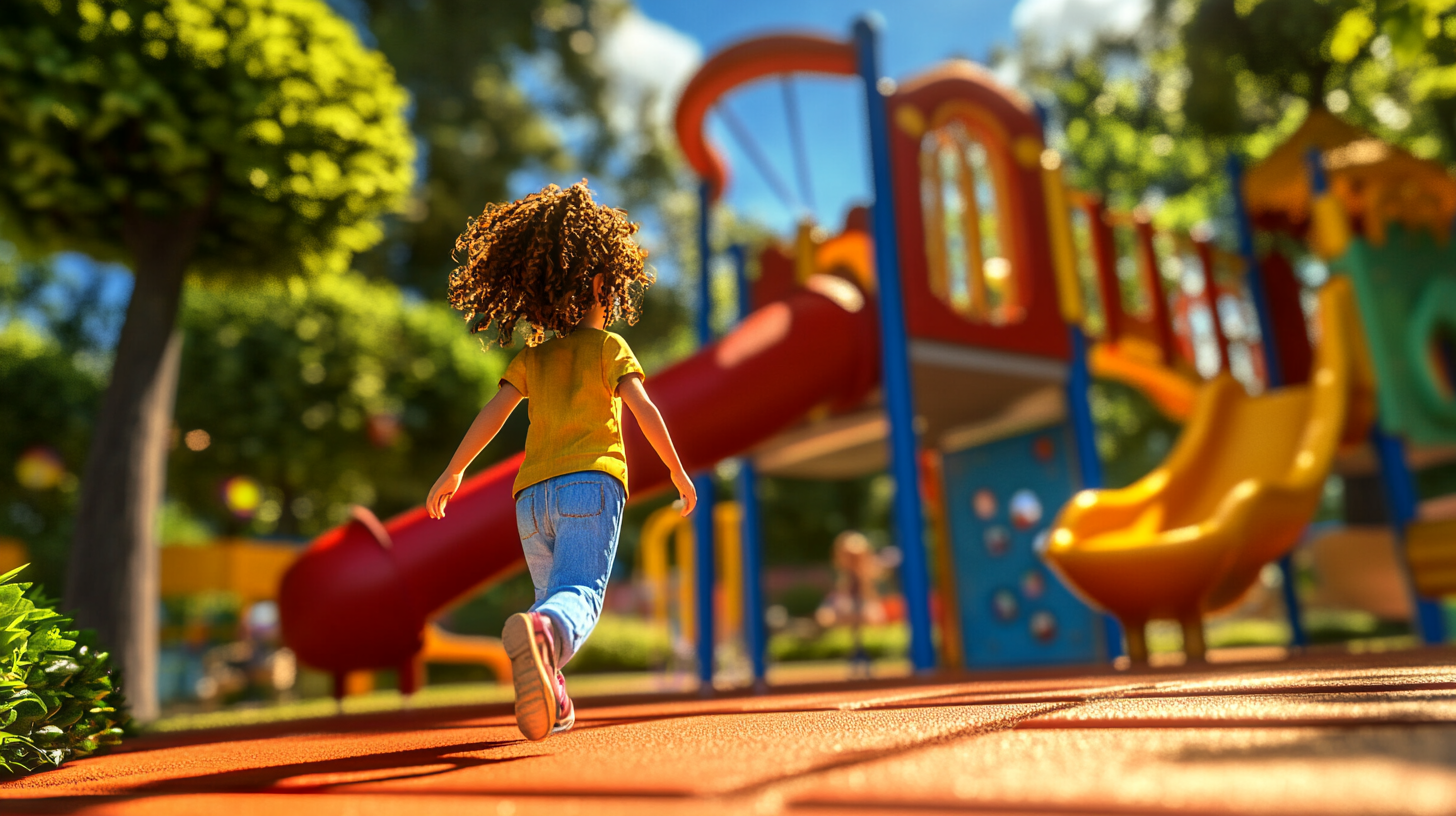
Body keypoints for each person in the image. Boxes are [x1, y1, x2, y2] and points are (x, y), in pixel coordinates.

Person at [425, 181, 697, 741]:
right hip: (590, 485)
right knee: (580, 594)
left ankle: (557, 697)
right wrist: (676, 470)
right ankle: (547, 634)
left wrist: (455, 469)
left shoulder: (532, 356)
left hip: (530, 499)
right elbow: (644, 411)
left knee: (554, 595)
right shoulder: (609, 347)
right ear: (602, 282)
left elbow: (493, 414)